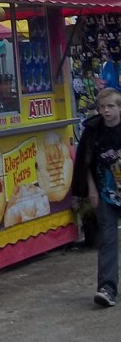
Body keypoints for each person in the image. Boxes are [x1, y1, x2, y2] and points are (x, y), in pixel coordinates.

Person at [71, 86, 121, 306]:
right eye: (102, 107)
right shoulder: (93, 130)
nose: (106, 111)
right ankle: (107, 288)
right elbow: (86, 162)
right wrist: (90, 189)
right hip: (105, 194)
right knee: (108, 240)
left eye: (111, 106)